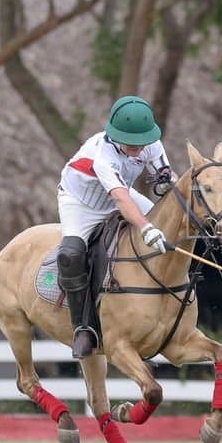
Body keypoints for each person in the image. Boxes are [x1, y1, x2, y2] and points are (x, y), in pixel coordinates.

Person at [56, 95, 173, 358]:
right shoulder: (102, 155)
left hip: (121, 195)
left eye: (142, 143)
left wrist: (166, 180)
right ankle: (83, 328)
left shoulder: (150, 142)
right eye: (131, 144)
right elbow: (121, 199)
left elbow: (166, 175)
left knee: (166, 230)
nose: (138, 149)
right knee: (71, 254)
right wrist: (146, 227)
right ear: (116, 135)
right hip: (81, 204)